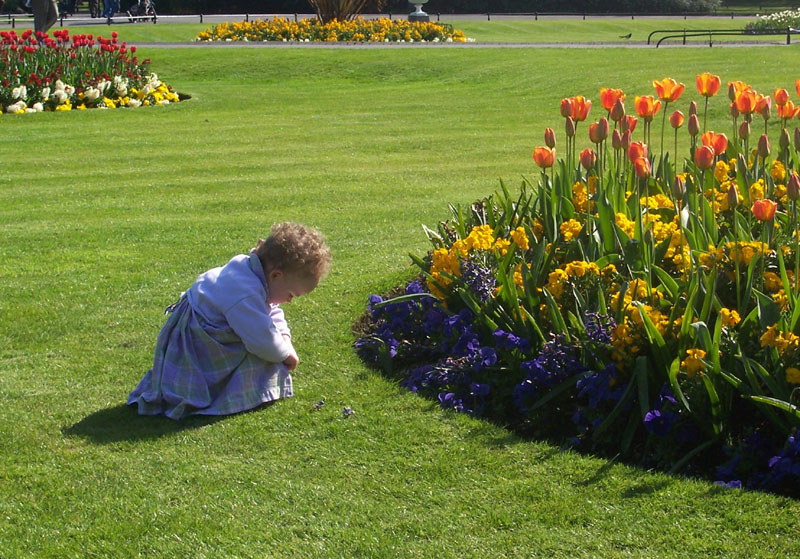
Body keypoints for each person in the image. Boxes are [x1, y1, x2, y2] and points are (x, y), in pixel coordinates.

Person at [128, 222, 332, 420]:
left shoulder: (252, 272)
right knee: (262, 359)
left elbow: (272, 311)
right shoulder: (244, 293)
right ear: (276, 275)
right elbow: (263, 342)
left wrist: (285, 337)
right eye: (291, 294)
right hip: (196, 346)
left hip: (204, 330)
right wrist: (286, 354)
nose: (289, 300)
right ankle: (212, 392)